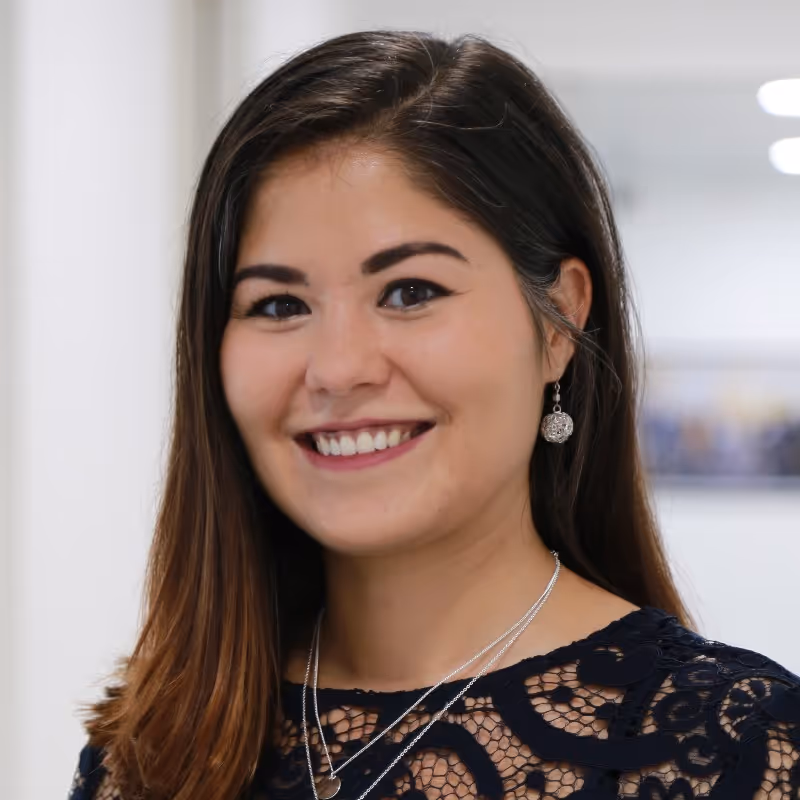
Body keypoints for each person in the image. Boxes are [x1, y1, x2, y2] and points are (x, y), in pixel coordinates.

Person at [68, 30, 800, 800]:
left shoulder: (739, 751)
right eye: (279, 304)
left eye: (411, 291)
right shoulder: (151, 753)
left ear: (557, 324)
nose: (340, 368)